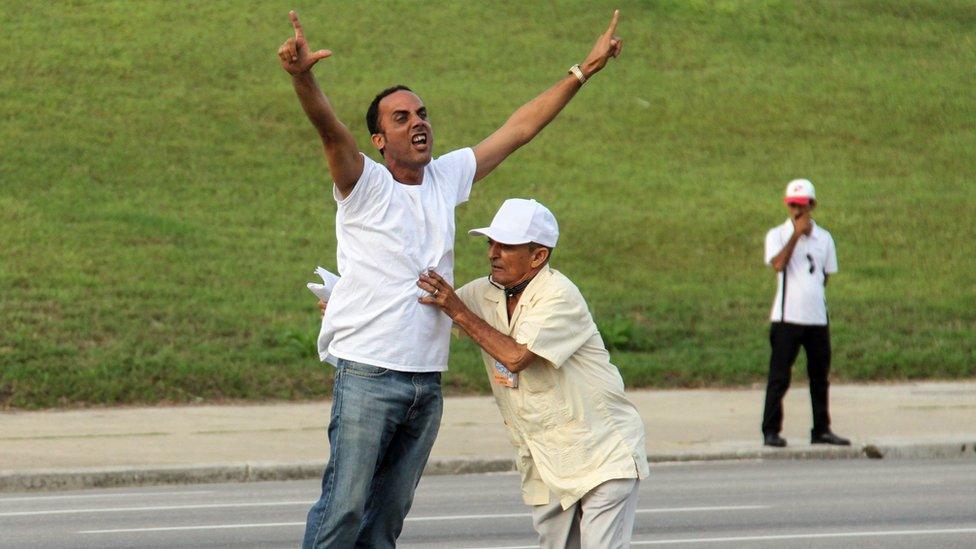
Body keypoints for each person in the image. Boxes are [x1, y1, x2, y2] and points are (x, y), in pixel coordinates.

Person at [275, 9, 624, 548]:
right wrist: (303, 77)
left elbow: (519, 130)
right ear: (378, 141)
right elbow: (328, 128)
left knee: (385, 522)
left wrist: (584, 70)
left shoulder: (444, 177)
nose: (418, 122)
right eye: (400, 118)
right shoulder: (363, 185)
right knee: (343, 511)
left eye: (422, 112)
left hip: (425, 383)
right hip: (369, 375)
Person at [417, 199, 649, 549]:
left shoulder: (559, 295)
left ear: (538, 256)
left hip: (600, 456)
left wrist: (458, 311)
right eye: (490, 244)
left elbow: (516, 356)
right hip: (543, 460)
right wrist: (349, 307)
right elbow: (427, 312)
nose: (493, 253)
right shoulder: (485, 292)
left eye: (506, 246)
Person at [761, 179, 850, 448]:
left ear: (812, 205)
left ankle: (821, 428)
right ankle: (770, 430)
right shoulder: (777, 234)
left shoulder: (825, 238)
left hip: (816, 319)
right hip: (787, 318)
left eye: (801, 205)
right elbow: (777, 264)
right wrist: (796, 235)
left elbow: (825, 276)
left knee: (820, 376)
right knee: (779, 376)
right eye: (792, 205)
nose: (796, 211)